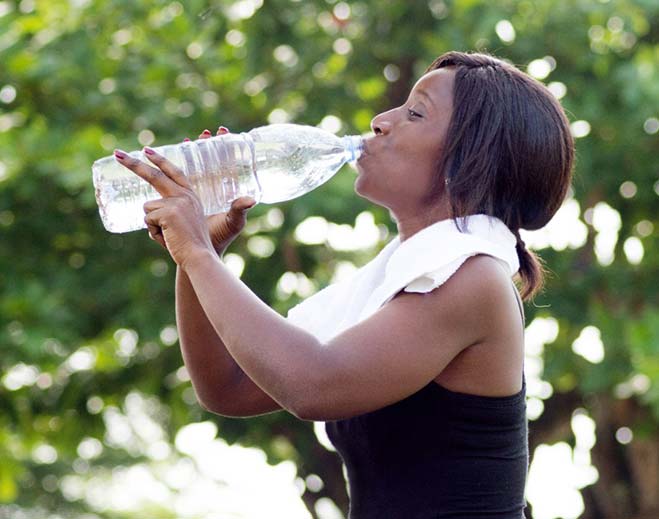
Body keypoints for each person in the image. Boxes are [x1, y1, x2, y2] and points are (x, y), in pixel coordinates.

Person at [114, 51, 574, 518]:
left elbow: (312, 385)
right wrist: (199, 255)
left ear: (469, 158)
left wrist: (196, 252)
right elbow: (227, 387)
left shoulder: (473, 279)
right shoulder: (399, 275)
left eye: (415, 113)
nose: (380, 120)